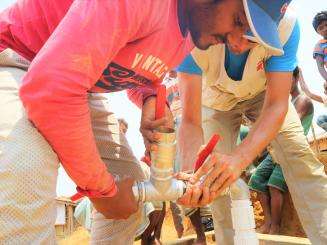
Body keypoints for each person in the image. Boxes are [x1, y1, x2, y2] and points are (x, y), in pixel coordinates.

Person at [0, 0, 257, 243]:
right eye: (238, 20)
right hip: (16, 58)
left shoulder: (191, 31)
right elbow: (51, 87)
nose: (237, 43)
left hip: (77, 84)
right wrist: (101, 190)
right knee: (25, 177)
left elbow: (134, 70)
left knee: (130, 196)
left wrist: (150, 100)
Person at [176, 1, 327, 244]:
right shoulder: (193, 32)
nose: (240, 44)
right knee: (217, 181)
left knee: (299, 158)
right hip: (215, 101)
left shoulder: (287, 28)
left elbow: (277, 104)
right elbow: (191, 121)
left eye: (255, 36)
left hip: (264, 96)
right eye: (239, 23)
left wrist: (240, 158)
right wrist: (190, 174)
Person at [248, 67, 314, 235]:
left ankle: (275, 227)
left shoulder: (303, 100)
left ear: (297, 77)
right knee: (256, 180)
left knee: (274, 186)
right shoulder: (286, 103)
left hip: (291, 149)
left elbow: (285, 126)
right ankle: (268, 222)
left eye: (289, 78)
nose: (285, 83)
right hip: (276, 150)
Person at [313, 11, 327, 82]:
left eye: (326, 25)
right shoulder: (319, 46)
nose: (325, 29)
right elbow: (320, 67)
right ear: (317, 32)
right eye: (321, 28)